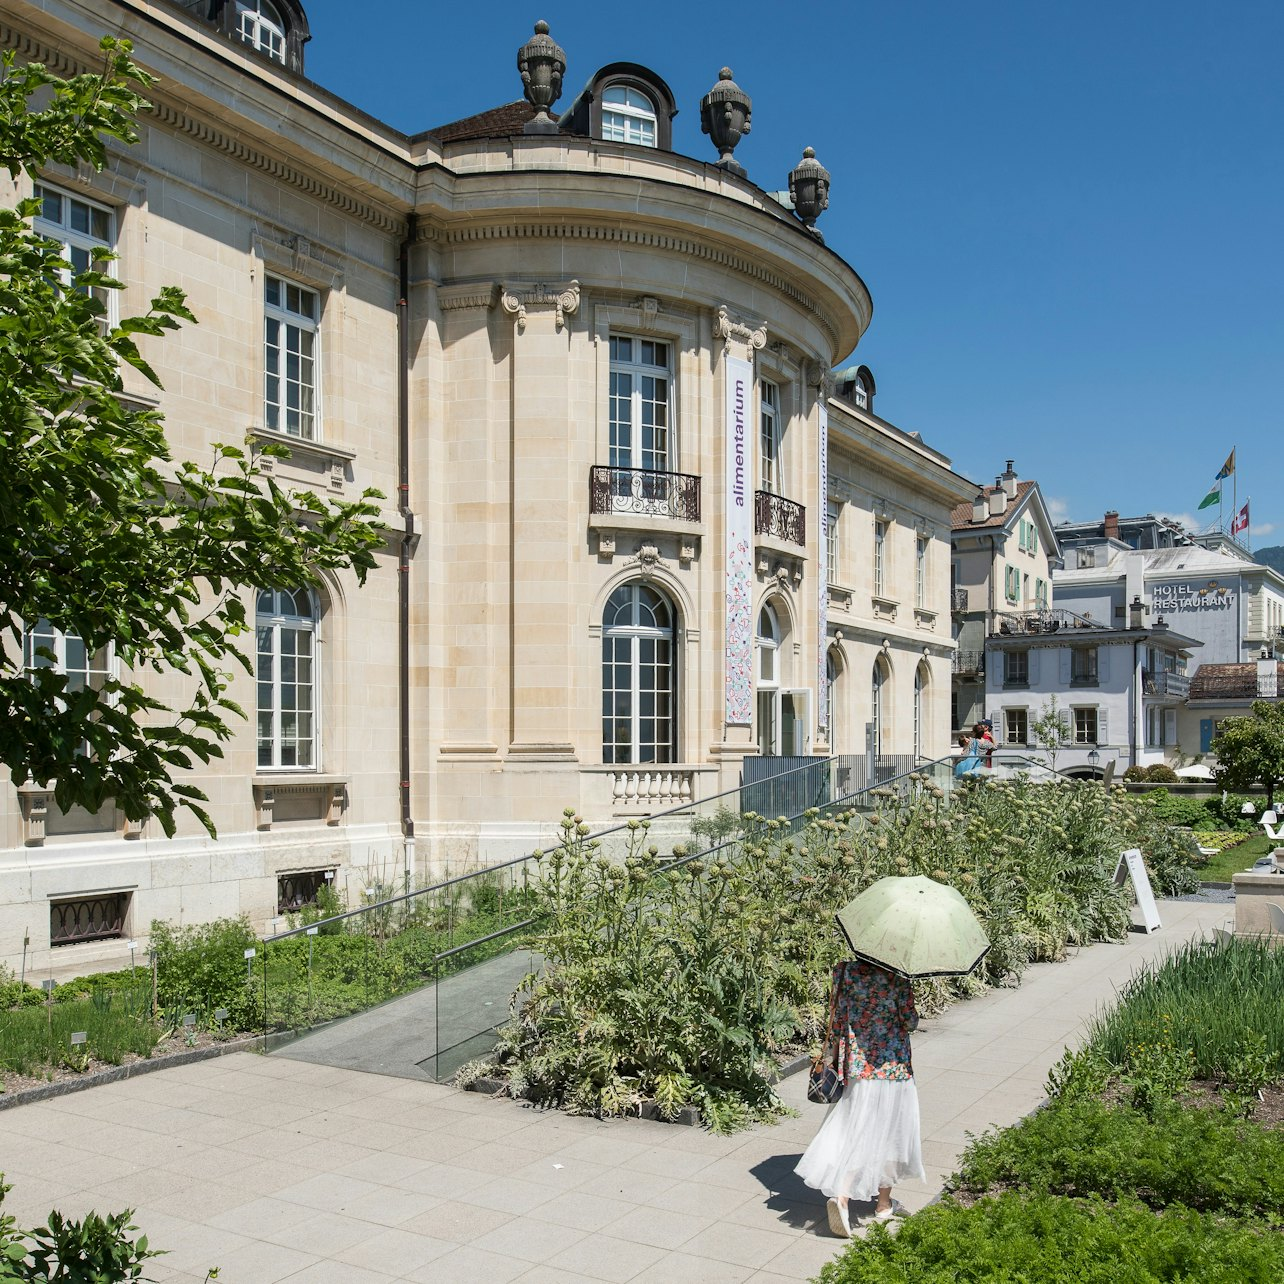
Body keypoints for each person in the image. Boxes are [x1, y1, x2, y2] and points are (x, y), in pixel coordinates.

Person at [796, 958, 925, 1237]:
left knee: (855, 1128)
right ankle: (881, 1205)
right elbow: (909, 1021)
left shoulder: (844, 972)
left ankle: (843, 1198)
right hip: (893, 1068)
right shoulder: (898, 977)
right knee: (892, 1132)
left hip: (856, 1066)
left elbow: (837, 1016)